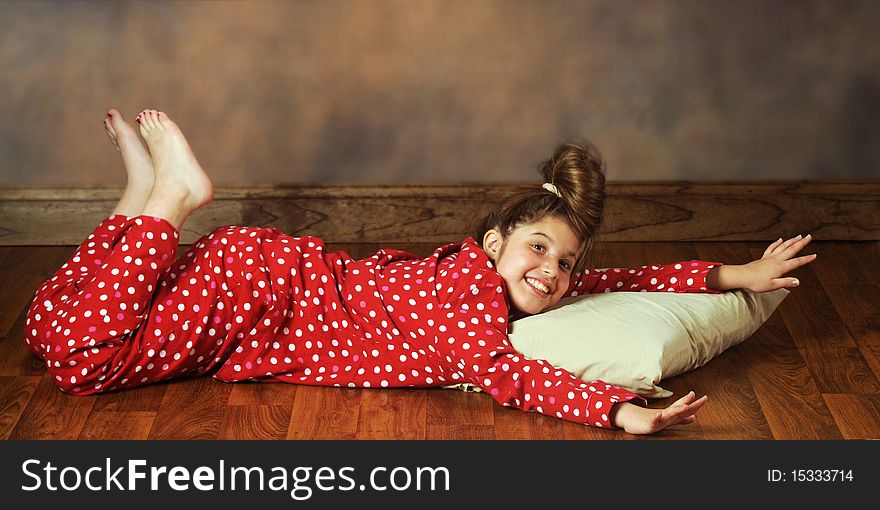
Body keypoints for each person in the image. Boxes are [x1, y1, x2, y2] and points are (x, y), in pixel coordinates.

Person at [23, 109, 817, 435]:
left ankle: (135, 203)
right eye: (538, 248)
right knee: (85, 358)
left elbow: (633, 279)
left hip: (254, 281)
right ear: (497, 240)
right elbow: (512, 379)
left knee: (48, 320)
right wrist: (618, 412)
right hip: (259, 301)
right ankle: (173, 200)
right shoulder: (473, 300)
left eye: (568, 264)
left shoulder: (508, 288)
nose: (554, 271)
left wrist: (734, 275)